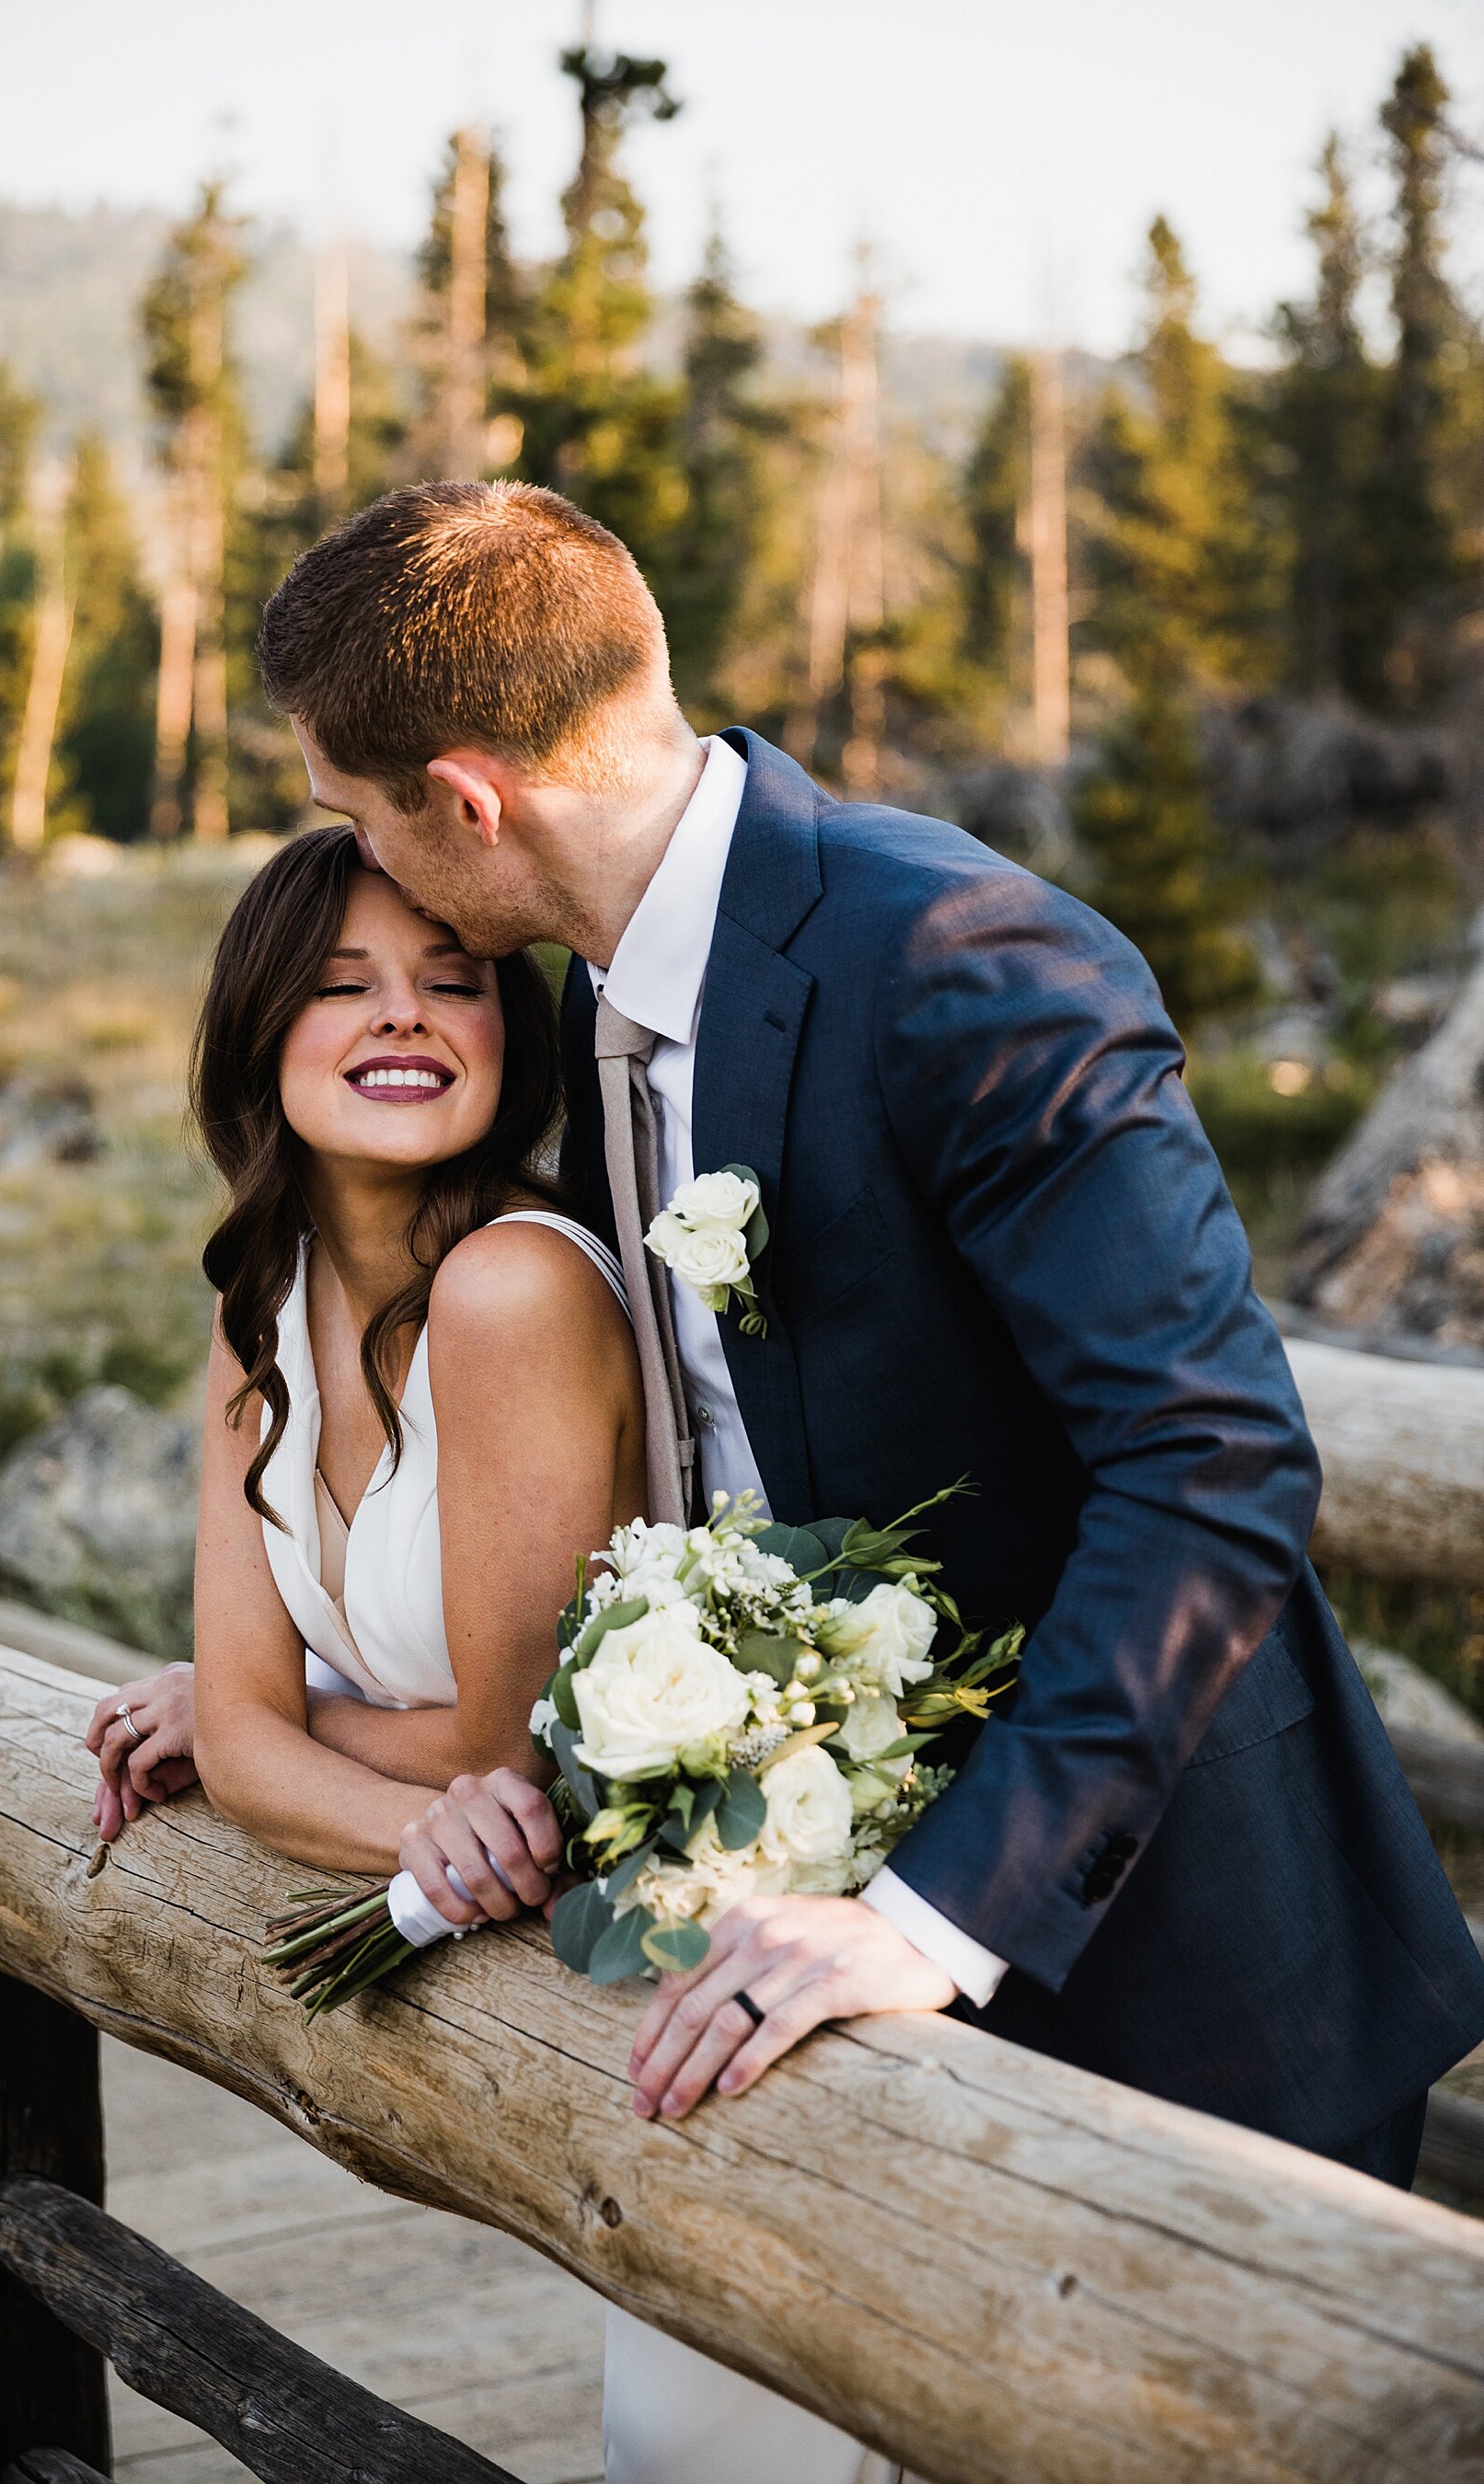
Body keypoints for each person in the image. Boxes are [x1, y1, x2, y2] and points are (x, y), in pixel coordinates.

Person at [248, 477, 1484, 2484]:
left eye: (367, 815)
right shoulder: (589, 989)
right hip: (803, 1964)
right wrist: (286, 1698)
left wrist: (930, 1912)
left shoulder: (964, 957)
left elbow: (1217, 1456)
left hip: (1169, 1992)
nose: (361, 860)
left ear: (467, 803)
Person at [86, 822, 640, 1933]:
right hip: (466, 1915)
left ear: (505, 1037)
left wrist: (269, 1717)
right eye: (343, 987)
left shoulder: (512, 1288)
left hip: (620, 1948)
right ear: (263, 1033)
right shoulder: (258, 1299)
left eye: (451, 982)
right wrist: (272, 1741)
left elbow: (506, 1761)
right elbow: (249, 1745)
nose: (404, 1012)